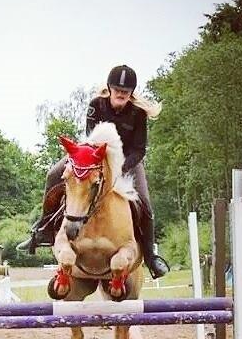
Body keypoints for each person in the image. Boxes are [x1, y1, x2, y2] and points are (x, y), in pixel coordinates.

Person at [17, 64, 169, 279]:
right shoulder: (96, 105)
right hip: (94, 157)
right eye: (117, 90)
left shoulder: (138, 114)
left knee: (144, 202)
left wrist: (120, 167)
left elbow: (139, 149)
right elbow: (92, 139)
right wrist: (103, 165)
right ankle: (42, 228)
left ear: (131, 93)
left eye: (125, 91)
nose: (121, 94)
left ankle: (151, 257)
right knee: (53, 174)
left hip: (128, 161)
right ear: (110, 88)